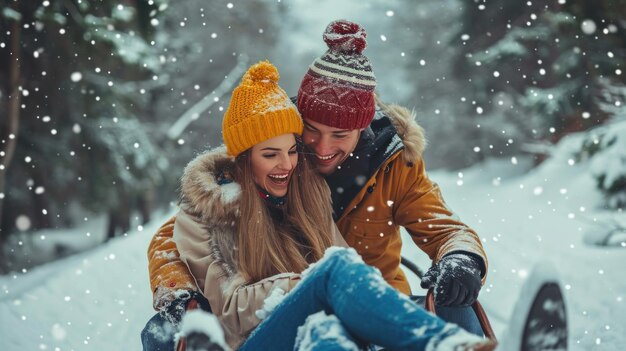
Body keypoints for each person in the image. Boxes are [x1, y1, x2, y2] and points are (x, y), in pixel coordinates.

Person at [144, 19, 489, 346]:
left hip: (377, 306)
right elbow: (185, 227)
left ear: (362, 128)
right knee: (161, 331)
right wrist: (179, 291)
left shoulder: (392, 167)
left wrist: (462, 257)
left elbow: (444, 228)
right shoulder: (275, 143)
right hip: (288, 314)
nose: (322, 148)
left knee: (456, 306)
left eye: (339, 135)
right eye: (311, 131)